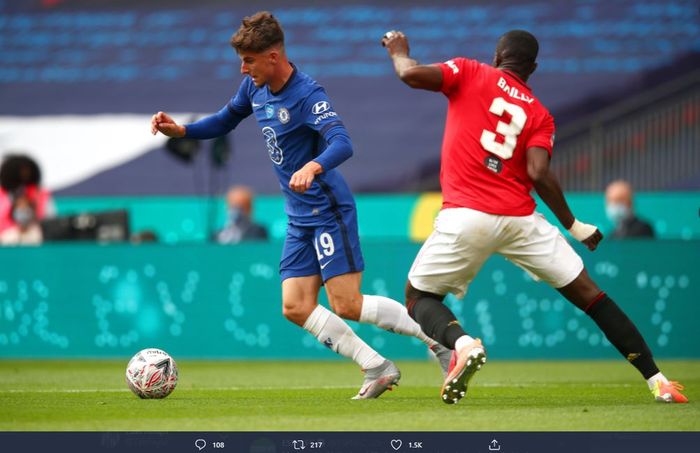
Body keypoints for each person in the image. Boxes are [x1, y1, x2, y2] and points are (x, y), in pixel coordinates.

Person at [151, 11, 451, 399]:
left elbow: (343, 142)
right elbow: (226, 119)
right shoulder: (253, 88)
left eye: (250, 60)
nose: (243, 69)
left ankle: (437, 339)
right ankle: (376, 366)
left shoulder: (308, 95)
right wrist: (184, 130)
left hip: (328, 210)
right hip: (298, 216)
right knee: (294, 306)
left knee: (347, 304)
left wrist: (313, 164)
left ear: (273, 56)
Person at [381, 29, 687, 404]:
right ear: (534, 68)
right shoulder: (540, 115)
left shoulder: (470, 71)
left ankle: (462, 344)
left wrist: (399, 51)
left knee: (418, 297)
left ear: (497, 57)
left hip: (467, 214)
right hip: (520, 220)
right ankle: (658, 381)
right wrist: (574, 225)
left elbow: (410, 75)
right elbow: (539, 173)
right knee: (592, 296)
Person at [0, 154, 55, 235]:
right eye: (21, 170)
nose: (25, 173)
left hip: (34, 234)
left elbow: (49, 218)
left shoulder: (40, 194)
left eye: (27, 170)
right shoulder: (2, 194)